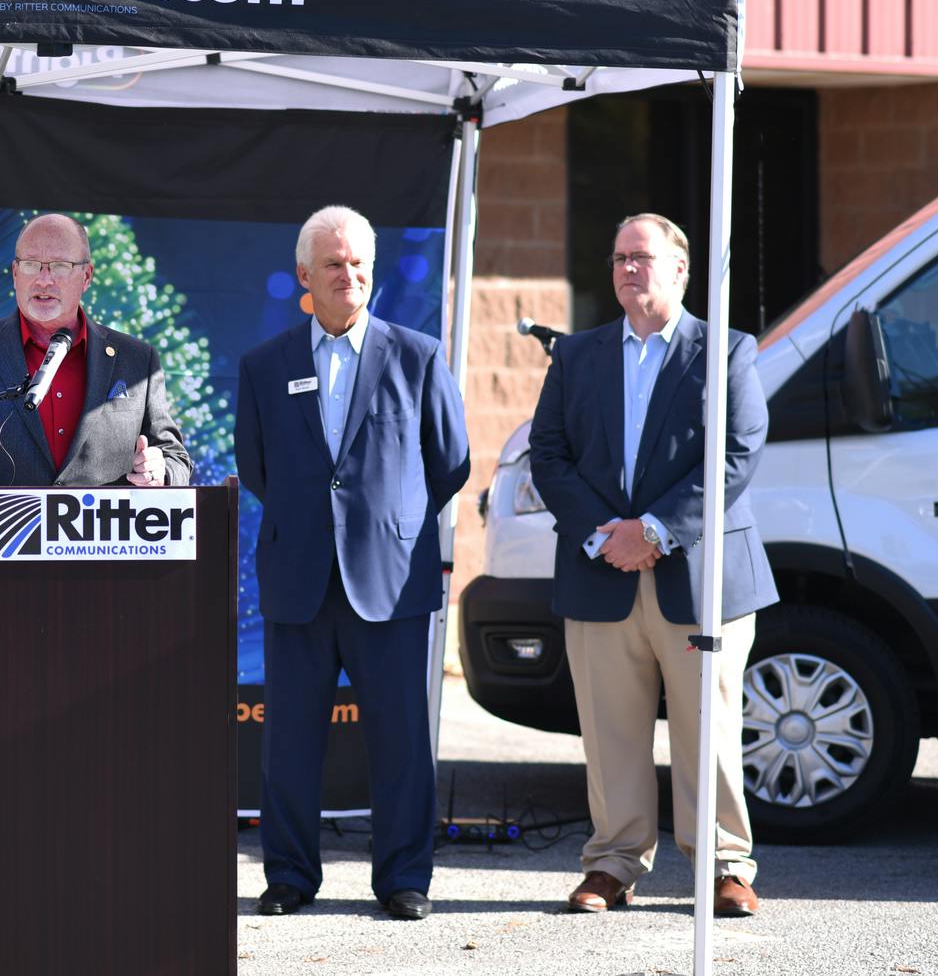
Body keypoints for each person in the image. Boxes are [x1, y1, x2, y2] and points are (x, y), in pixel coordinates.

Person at [528, 212, 774, 918]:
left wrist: (657, 531)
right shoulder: (577, 355)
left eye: (642, 256)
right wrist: (607, 535)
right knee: (610, 732)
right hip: (601, 567)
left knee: (710, 728)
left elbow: (737, 452)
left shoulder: (726, 351)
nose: (628, 269)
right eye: (618, 258)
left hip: (697, 576)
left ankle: (725, 865)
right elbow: (549, 455)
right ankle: (612, 865)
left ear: (681, 270)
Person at [234, 205, 469, 921]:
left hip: (390, 580)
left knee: (400, 741)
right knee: (290, 747)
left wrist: (387, 522)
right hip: (299, 578)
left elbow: (450, 463)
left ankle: (404, 879)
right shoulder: (265, 365)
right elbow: (257, 466)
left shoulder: (418, 356)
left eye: (360, 263)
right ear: (304, 275)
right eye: (333, 264)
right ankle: (290, 877)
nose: (349, 275)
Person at [0, 213, 190, 488]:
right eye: (32, 265)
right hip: (3, 531)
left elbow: (176, 459)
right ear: (15, 273)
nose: (44, 280)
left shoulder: (137, 360)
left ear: (87, 276)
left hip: (104, 530)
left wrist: (160, 470)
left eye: (59, 266)